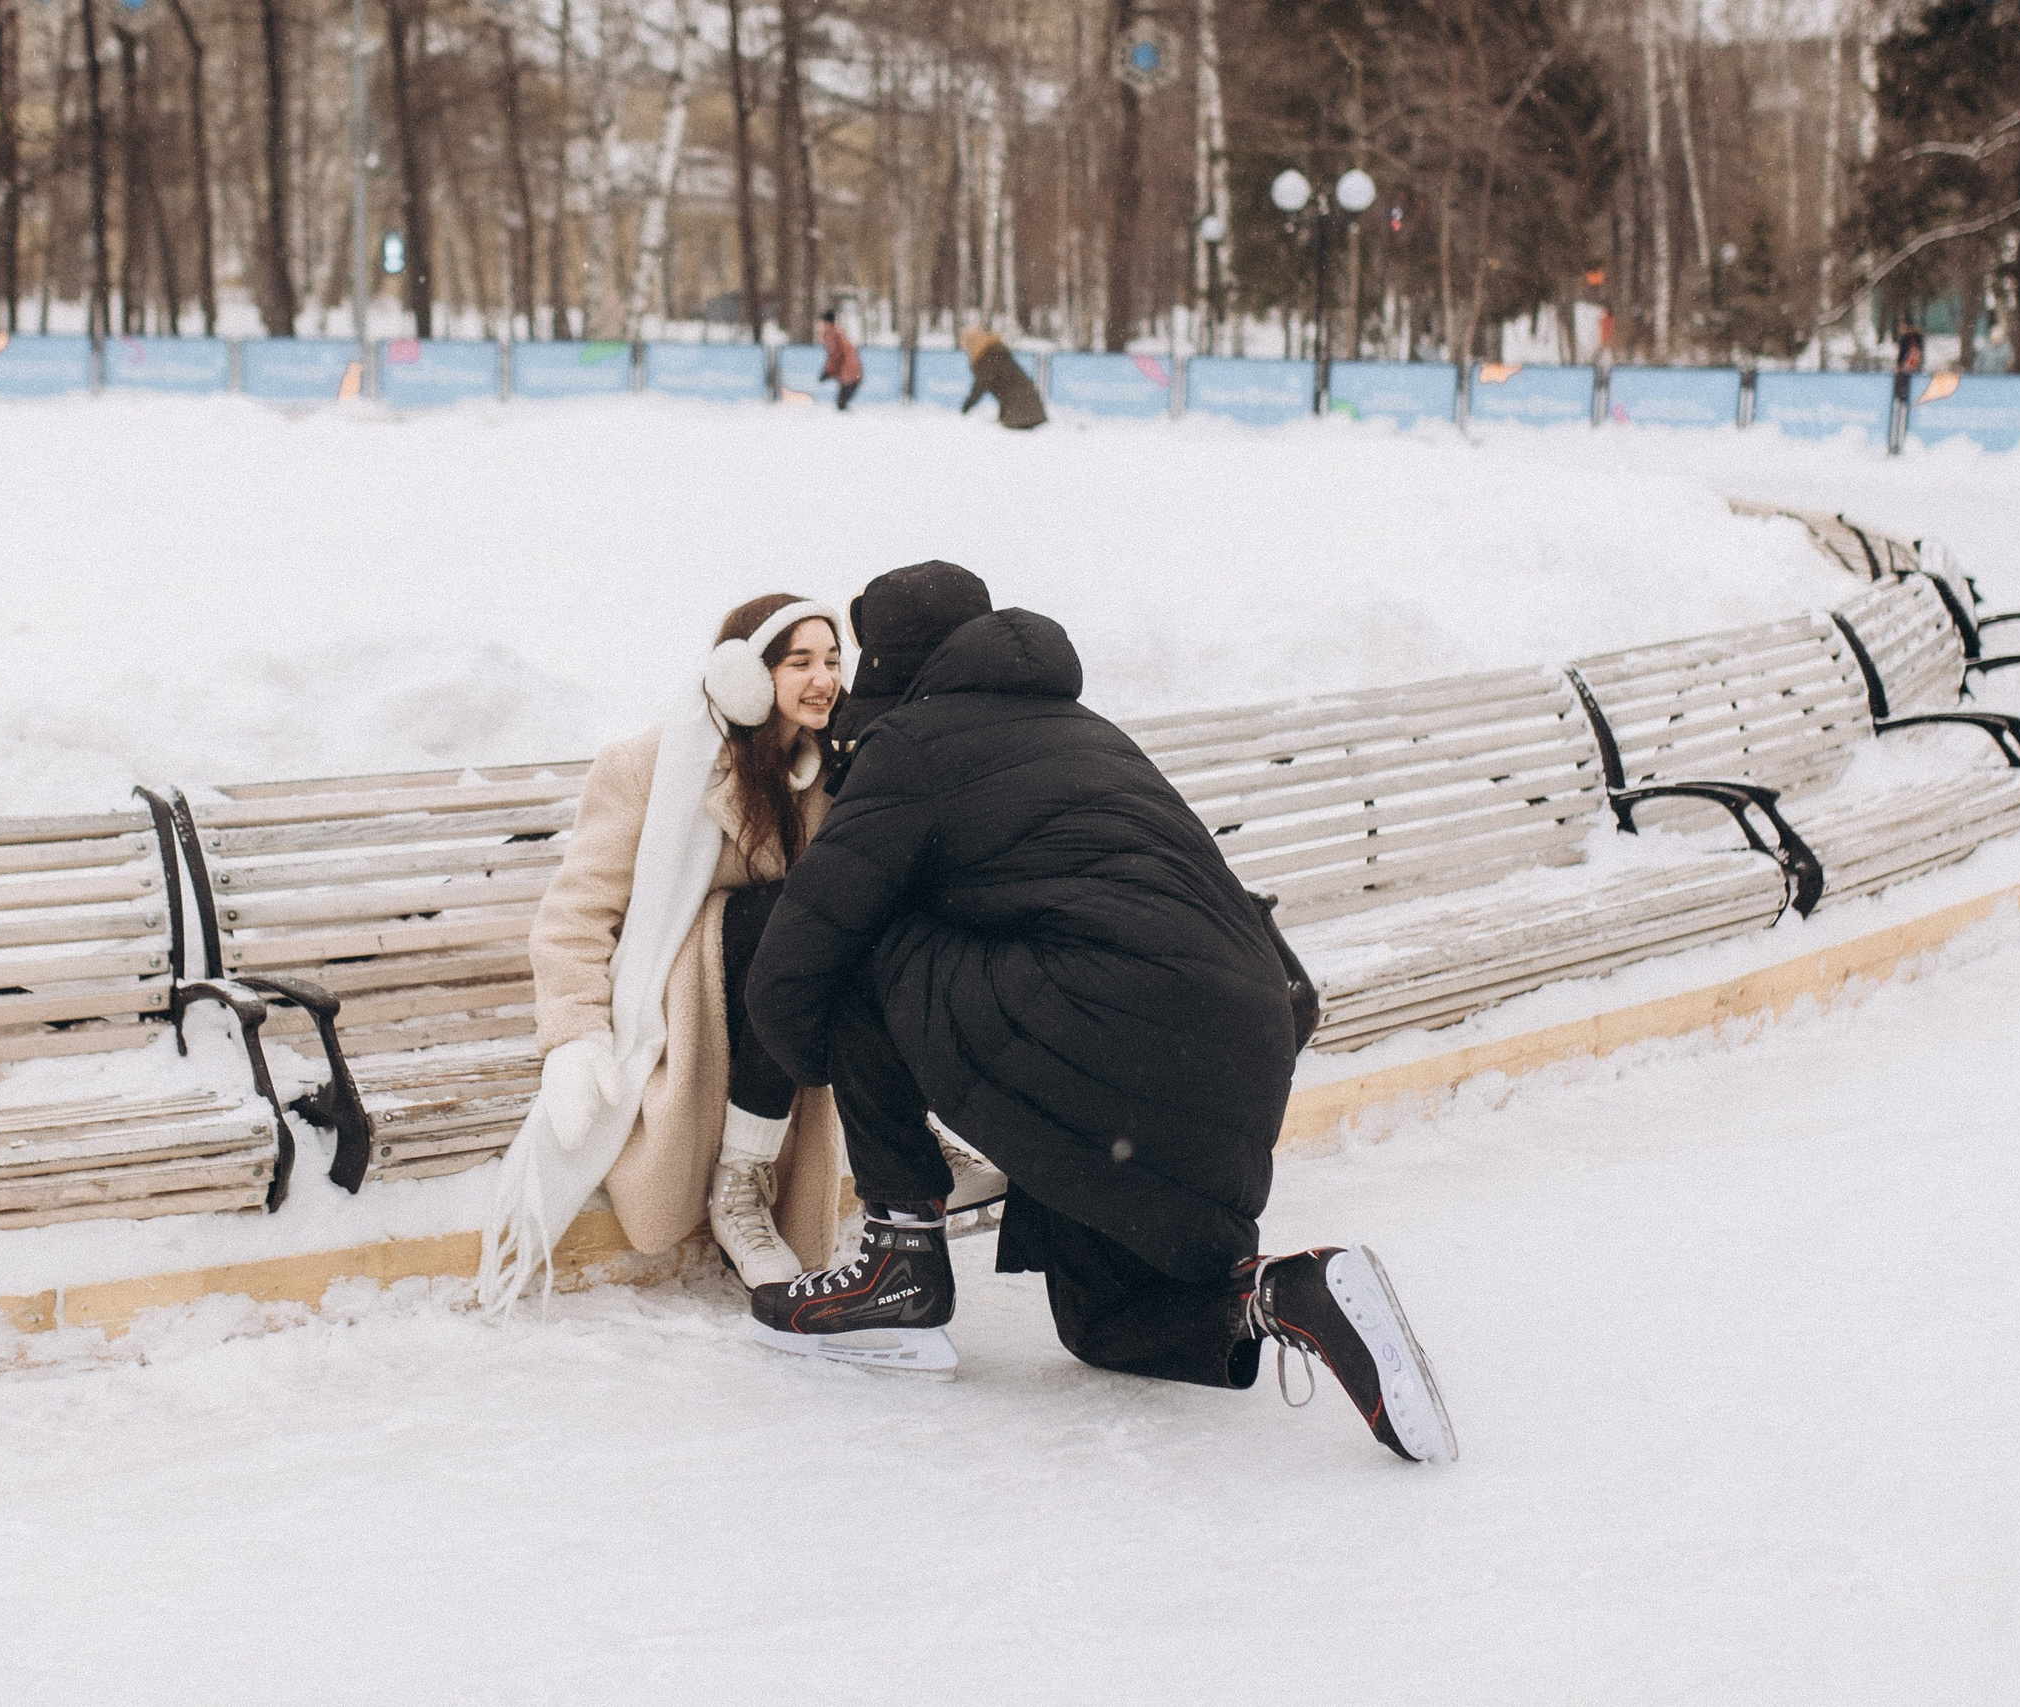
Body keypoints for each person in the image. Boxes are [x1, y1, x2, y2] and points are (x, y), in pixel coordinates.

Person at [741, 562, 1456, 1463]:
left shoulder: (913, 745)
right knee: (1105, 1321)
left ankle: (899, 1263)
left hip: (1106, 1029)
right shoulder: (1090, 729)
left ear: (891, 665)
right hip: (1234, 1052)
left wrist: (850, 1077)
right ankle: (1291, 1294)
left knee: (859, 944)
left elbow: (792, 969)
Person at [480, 594, 851, 1299]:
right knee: (791, 917)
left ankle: (744, 1179)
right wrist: (575, 1035)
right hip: (681, 1000)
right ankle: (737, 1193)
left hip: (780, 1005)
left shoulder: (827, 775)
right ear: (746, 674)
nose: (823, 679)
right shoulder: (654, 765)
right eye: (800, 662)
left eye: (832, 660)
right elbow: (577, 910)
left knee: (829, 918)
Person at [957, 327, 1046, 429]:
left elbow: (980, 386)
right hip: (1029, 412)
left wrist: (966, 408)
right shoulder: (995, 354)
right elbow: (1006, 390)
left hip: (1023, 415)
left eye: (967, 344)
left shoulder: (988, 357)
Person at [819, 309, 864, 410]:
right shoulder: (837, 331)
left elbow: (836, 355)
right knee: (841, 404)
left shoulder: (831, 333)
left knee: (841, 405)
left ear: (826, 322)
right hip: (853, 371)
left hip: (849, 372)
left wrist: (827, 372)